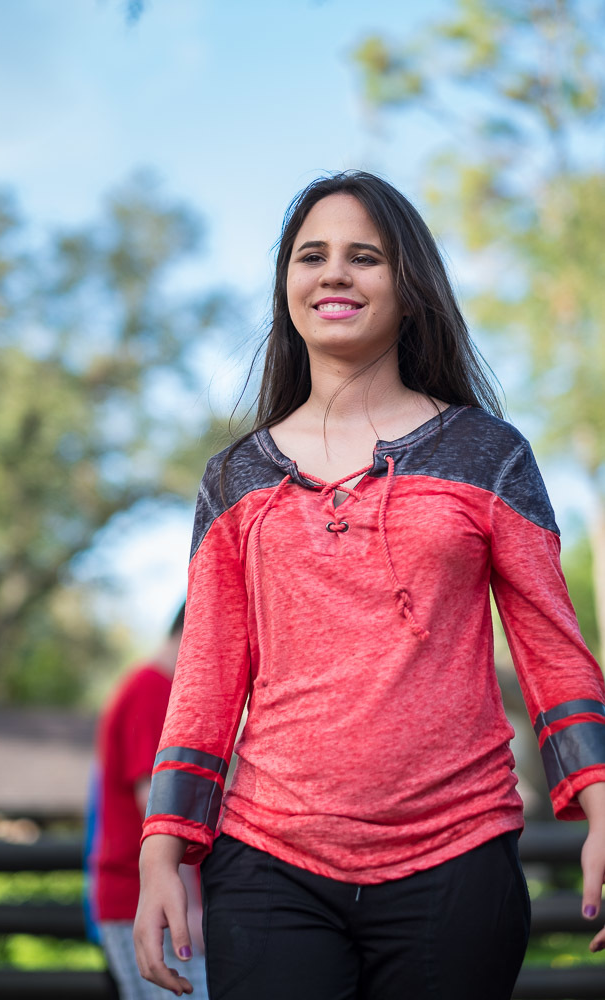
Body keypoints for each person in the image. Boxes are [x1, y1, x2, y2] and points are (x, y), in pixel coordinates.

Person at [133, 171, 605, 1000]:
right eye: (311, 256)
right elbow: (206, 679)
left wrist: (602, 803)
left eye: (365, 257)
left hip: (457, 857)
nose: (334, 274)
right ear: (287, 286)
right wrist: (160, 849)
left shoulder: (487, 455)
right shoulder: (235, 479)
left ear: (409, 287)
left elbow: (551, 652)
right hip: (268, 863)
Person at [89, 603, 208, 1000]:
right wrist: (189, 905)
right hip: (145, 900)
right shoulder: (155, 690)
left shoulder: (144, 686)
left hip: (136, 898)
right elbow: (158, 806)